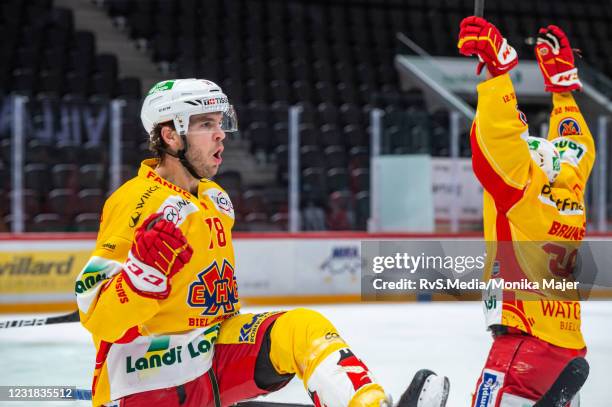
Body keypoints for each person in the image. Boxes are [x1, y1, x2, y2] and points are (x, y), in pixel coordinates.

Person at [74, 79, 449, 407]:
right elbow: (98, 317)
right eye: (206, 124)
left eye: (220, 123)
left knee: (302, 328)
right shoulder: (136, 200)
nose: (221, 134)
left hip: (211, 355)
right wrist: (137, 282)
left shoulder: (213, 197)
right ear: (170, 136)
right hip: (150, 377)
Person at [458, 17, 595, 406]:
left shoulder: (522, 190)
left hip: (524, 346)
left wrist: (498, 74)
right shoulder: (571, 191)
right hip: (568, 349)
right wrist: (563, 93)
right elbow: (576, 149)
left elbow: (496, 140)